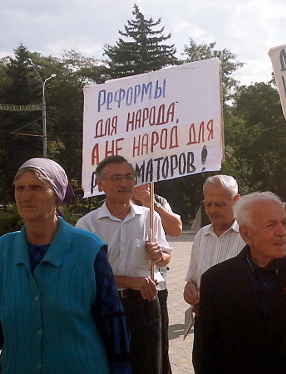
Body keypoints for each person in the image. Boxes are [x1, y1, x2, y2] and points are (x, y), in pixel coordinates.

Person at [0, 158, 130, 373]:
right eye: (20, 188)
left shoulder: (89, 250)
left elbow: (112, 320)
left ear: (57, 195)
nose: (25, 196)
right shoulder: (4, 250)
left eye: (36, 187)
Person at [193, 191, 286, 373]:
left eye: (284, 223)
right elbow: (206, 355)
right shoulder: (215, 281)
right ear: (246, 234)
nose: (282, 232)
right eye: (271, 225)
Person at [76, 155, 172, 374]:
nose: (124, 183)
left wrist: (159, 256)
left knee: (149, 366)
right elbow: (85, 275)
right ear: (100, 183)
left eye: (129, 177)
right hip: (106, 306)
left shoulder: (150, 218)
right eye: (116, 177)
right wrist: (130, 281)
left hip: (145, 305)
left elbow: (165, 257)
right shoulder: (87, 224)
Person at [131, 183, 181, 374]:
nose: (140, 185)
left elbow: (176, 229)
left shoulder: (159, 201)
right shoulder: (116, 202)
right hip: (124, 289)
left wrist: (152, 204)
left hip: (156, 285)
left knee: (158, 345)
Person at [183, 175, 246, 311]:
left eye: (219, 204)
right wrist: (189, 290)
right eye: (208, 204)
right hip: (204, 321)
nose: (212, 210)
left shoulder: (249, 236)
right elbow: (192, 280)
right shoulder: (201, 235)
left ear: (236, 201)